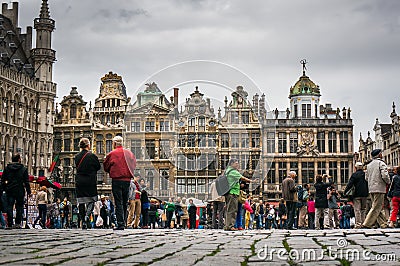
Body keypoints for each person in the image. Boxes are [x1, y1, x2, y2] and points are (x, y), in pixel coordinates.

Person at [103, 136, 136, 230]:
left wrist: (111, 171)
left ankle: (120, 223)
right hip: (127, 180)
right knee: (125, 201)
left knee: (118, 202)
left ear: (114, 143)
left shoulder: (111, 154)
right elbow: (133, 165)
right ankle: (124, 222)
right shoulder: (129, 153)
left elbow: (106, 166)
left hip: (116, 180)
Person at [74, 138, 101, 229]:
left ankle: (83, 219)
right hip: (90, 180)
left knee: (81, 201)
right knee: (91, 200)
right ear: (88, 145)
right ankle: (86, 216)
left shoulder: (77, 156)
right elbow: (98, 166)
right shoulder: (92, 156)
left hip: (80, 180)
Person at [1, 153, 31, 229]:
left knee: (9, 206)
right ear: (19, 159)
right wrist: (29, 191)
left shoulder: (7, 168)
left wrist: (3, 189)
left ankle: (10, 223)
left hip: (10, 189)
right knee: (19, 207)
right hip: (20, 190)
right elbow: (26, 181)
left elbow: (3, 179)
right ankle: (17, 223)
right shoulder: (23, 169)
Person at [224, 158, 255, 231]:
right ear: (232, 164)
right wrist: (252, 181)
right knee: (233, 210)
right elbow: (243, 178)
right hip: (233, 193)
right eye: (236, 163)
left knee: (229, 210)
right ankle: (230, 226)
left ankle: (228, 225)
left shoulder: (228, 170)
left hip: (230, 192)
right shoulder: (233, 171)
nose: (237, 165)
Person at [363, 149, 390, 229]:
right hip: (379, 187)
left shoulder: (369, 165)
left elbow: (366, 178)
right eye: (381, 153)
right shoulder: (381, 163)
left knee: (377, 206)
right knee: (376, 207)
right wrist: (388, 181)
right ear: (379, 155)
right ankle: (367, 223)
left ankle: (383, 224)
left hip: (371, 188)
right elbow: (385, 175)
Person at [344, 162, 369, 228]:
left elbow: (350, 184)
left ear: (355, 168)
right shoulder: (365, 174)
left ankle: (358, 224)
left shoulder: (354, 175)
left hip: (357, 194)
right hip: (365, 193)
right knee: (363, 209)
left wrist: (345, 191)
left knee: (357, 209)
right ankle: (363, 223)